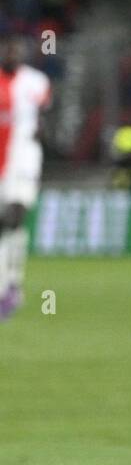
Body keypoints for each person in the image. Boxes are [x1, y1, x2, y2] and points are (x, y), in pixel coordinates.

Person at [0, 35, 52, 320]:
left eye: (15, 48)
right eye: (6, 48)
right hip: (0, 161)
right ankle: (8, 285)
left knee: (13, 215)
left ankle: (12, 286)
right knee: (6, 227)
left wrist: (43, 131)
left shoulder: (36, 82)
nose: (11, 53)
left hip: (24, 158)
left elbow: (46, 115)